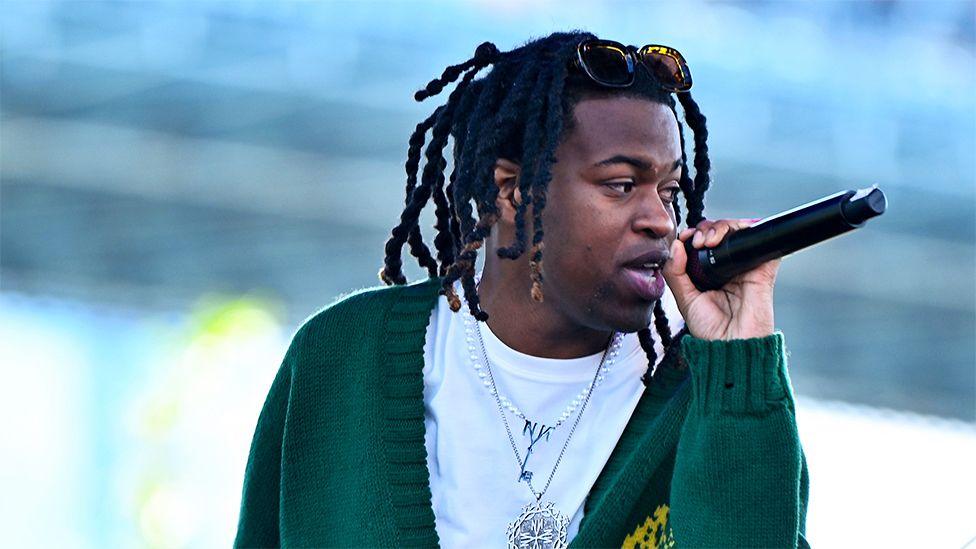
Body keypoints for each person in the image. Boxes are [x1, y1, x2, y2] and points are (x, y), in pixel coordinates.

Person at [234, 31, 809, 548]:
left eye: (668, 190)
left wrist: (738, 364)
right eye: (621, 184)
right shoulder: (341, 357)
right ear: (510, 191)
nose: (660, 218)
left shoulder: (712, 392)